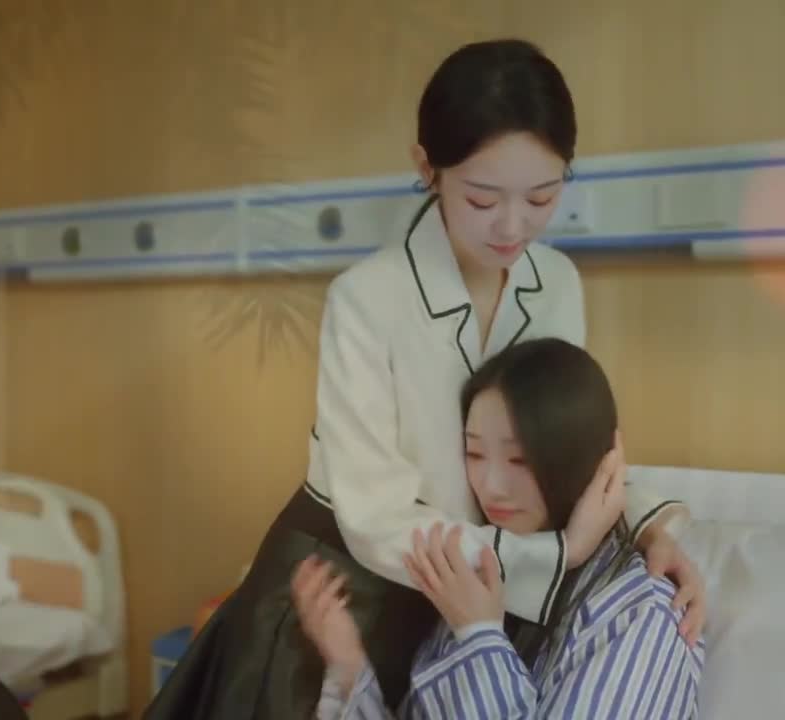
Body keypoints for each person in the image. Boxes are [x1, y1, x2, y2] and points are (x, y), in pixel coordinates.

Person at [143, 38, 705, 720]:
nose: (513, 225)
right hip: (347, 583)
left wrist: (644, 530)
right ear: (427, 168)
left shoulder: (556, 282)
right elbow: (375, 516)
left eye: (542, 195)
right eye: (482, 198)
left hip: (468, 595)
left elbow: (565, 436)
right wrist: (558, 555)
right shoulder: (367, 298)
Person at [293, 337, 707, 718]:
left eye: (519, 460)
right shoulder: (482, 571)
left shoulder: (641, 612)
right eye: (474, 453)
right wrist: (349, 671)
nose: (491, 486)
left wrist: (479, 638)